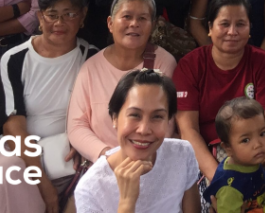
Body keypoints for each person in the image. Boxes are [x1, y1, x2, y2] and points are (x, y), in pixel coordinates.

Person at [0, 0, 99, 213]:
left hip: (70, 156)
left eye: (69, 14)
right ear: (39, 16)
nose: (59, 23)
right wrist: (44, 186)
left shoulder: (93, 58)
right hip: (19, 151)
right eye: (52, 15)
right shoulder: (14, 59)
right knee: (11, 169)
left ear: (82, 16)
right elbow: (13, 128)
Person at [174, 0, 265, 183]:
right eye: (224, 24)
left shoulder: (264, 63)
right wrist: (219, 177)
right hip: (203, 152)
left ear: (249, 30)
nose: (232, 32)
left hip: (252, 150)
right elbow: (187, 130)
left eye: (240, 24)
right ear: (210, 28)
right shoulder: (189, 65)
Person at [67, 0, 178, 162]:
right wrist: (107, 155)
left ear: (154, 25)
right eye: (127, 16)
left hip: (150, 160)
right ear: (110, 23)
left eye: (142, 18)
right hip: (103, 162)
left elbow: (168, 121)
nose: (134, 23)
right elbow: (76, 125)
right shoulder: (91, 67)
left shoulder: (164, 62)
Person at [73, 69, 201, 213]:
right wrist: (126, 203)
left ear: (168, 120)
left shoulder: (181, 154)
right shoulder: (91, 188)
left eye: (157, 117)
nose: (144, 129)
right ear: (114, 118)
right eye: (134, 115)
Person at [203, 98, 265, 213]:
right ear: (228, 148)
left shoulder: (248, 162)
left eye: (262, 133)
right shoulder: (230, 190)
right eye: (245, 140)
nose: (258, 144)